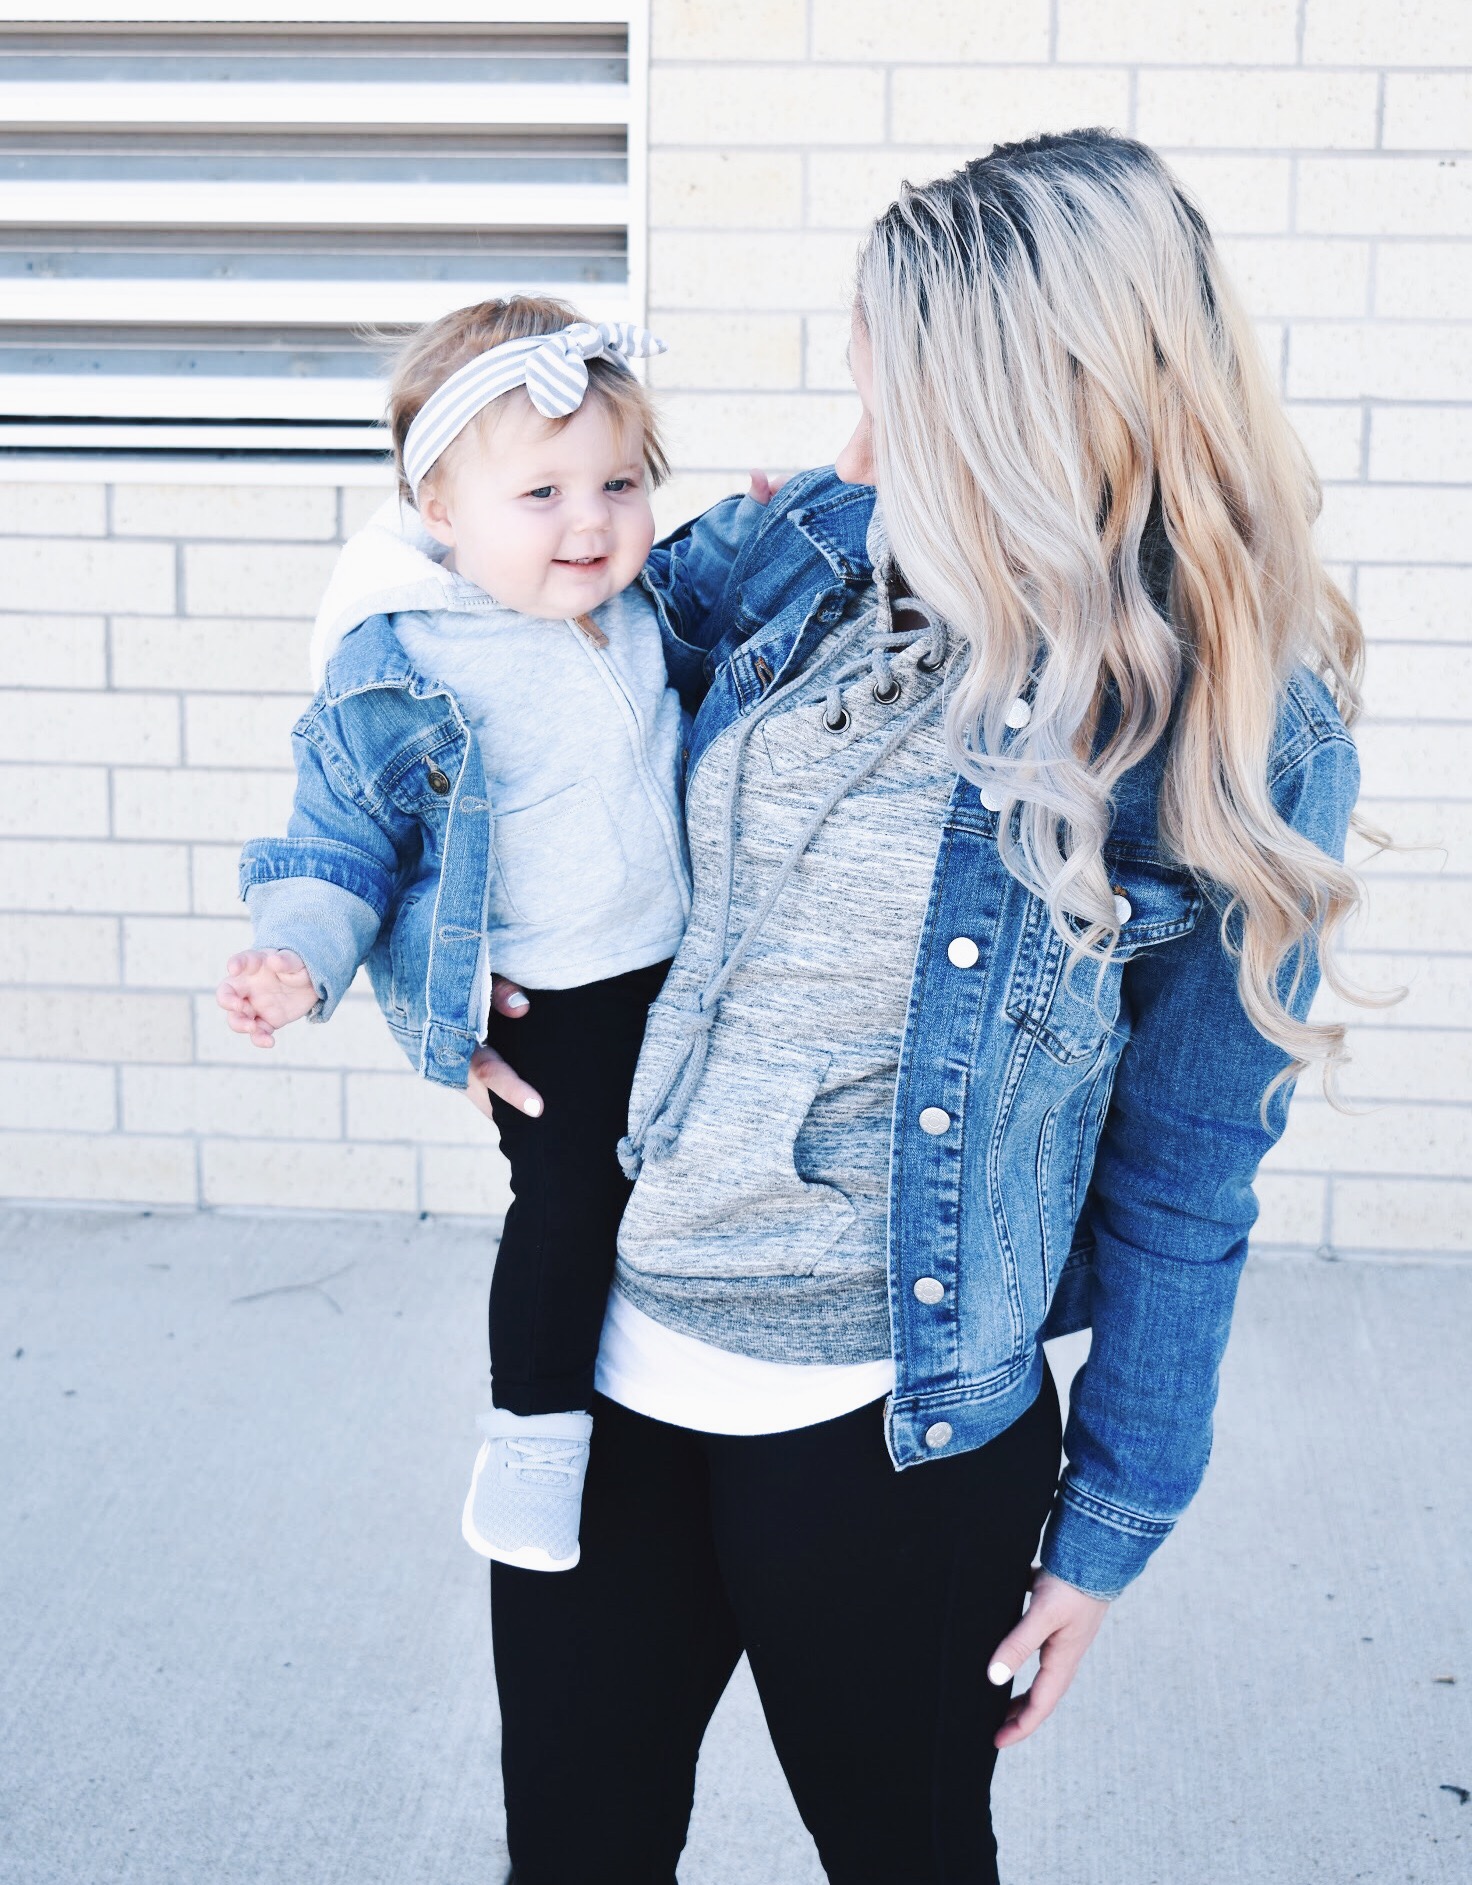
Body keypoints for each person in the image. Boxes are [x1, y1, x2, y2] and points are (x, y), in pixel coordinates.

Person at [476, 132, 1366, 1884]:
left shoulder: (1226, 723)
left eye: (892, 373)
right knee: (572, 1855)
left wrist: (1108, 1527)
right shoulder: (809, 558)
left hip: (889, 1429)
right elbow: (514, 661)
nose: (857, 419)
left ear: (1022, 399)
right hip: (603, 1359)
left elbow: (1187, 1178)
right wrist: (455, 945)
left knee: (902, 1855)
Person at [215, 295, 694, 1573]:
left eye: (616, 482)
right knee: (570, 1199)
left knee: (676, 1195)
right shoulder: (406, 661)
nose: (589, 521)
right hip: (561, 1001)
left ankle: (673, 1415)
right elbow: (340, 842)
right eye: (539, 494)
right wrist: (299, 958)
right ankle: (534, 1435)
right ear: (441, 514)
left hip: (684, 967)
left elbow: (746, 580)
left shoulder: (641, 606)